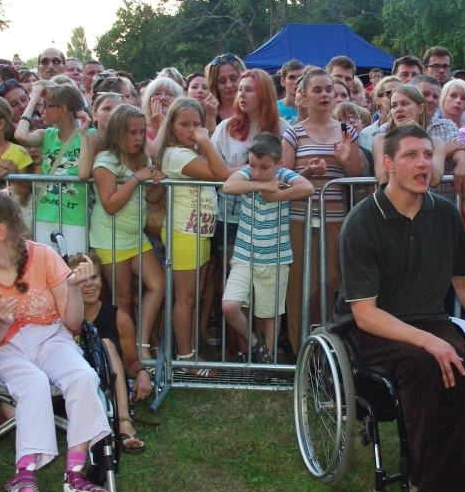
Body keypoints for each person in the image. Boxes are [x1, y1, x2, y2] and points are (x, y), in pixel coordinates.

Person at [328, 124, 465, 492]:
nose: (423, 164)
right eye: (411, 155)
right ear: (388, 164)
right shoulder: (363, 221)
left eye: (428, 155)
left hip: (429, 317)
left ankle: (439, 485)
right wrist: (431, 344)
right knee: (425, 367)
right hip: (372, 324)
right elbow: (365, 312)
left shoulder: (445, 213)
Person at [0, 189, 114, 492]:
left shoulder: (44, 257)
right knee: (33, 383)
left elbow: (72, 323)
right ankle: (23, 475)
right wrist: (2, 322)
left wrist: (71, 287)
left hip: (52, 338)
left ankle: (75, 478)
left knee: (84, 376)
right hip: (5, 348)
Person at [281, 68, 366, 354]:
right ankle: (301, 351)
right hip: (299, 220)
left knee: (333, 285)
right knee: (299, 288)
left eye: (329, 89)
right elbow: (282, 176)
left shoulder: (347, 131)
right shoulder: (292, 132)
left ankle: (332, 352)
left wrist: (344, 161)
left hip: (336, 220)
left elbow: (357, 176)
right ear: (303, 95)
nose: (325, 94)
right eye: (317, 89)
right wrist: (306, 170)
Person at [220, 132, 313, 363]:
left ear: (278, 163)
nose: (258, 171)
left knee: (270, 314)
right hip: (243, 257)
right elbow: (229, 186)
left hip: (275, 258)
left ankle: (267, 361)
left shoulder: (283, 174)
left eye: (265, 167)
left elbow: (307, 187)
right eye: (253, 165)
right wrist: (258, 184)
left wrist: (277, 194)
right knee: (230, 305)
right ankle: (256, 344)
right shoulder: (247, 175)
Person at [156, 97, 231, 372]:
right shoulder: (177, 155)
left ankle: (187, 348)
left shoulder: (192, 153)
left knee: (193, 294)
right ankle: (186, 360)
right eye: (184, 124)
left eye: (196, 124)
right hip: (183, 234)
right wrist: (207, 139)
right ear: (172, 127)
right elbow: (222, 173)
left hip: (198, 232)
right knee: (186, 297)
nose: (191, 130)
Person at [88, 104, 165, 357]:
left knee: (158, 284)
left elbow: (150, 198)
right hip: (109, 237)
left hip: (135, 236)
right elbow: (110, 204)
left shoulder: (143, 158)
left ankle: (141, 344)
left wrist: (160, 181)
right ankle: (127, 355)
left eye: (142, 132)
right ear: (118, 132)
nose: (138, 138)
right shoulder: (105, 160)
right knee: (121, 299)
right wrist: (136, 179)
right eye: (132, 132)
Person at [69, 251, 151, 454]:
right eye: (81, 280)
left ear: (101, 280)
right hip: (73, 388)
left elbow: (130, 361)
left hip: (107, 384)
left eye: (94, 277)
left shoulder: (118, 317)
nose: (89, 284)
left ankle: (124, 421)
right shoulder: (64, 318)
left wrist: (142, 372)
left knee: (105, 344)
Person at [14, 80, 94, 253]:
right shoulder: (46, 134)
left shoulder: (91, 135)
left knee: (75, 269)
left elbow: (83, 173)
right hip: (44, 215)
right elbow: (20, 135)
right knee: (48, 274)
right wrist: (34, 99)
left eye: (47, 106)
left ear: (62, 110)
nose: (42, 111)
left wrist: (84, 133)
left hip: (75, 217)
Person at [205, 54, 246, 122]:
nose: (229, 85)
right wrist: (210, 117)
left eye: (233, 78)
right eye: (222, 81)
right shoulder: (207, 112)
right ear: (214, 84)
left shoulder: (256, 109)